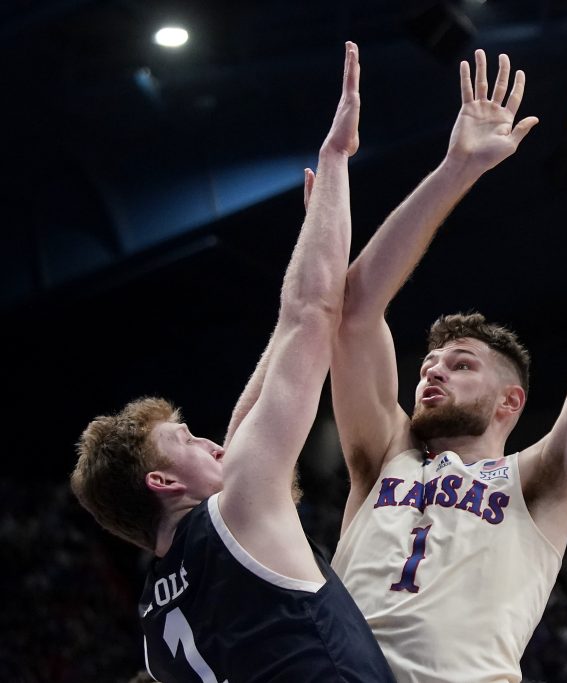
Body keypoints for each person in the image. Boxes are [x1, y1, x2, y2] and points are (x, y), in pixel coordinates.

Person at [321, 49, 567, 683]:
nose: (432, 372)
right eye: (429, 363)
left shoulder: (540, 481)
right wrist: (456, 170)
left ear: (509, 402)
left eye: (460, 365)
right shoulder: (384, 456)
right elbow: (355, 311)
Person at [70, 43, 394, 683]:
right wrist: (336, 162)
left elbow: (282, 340)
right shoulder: (239, 507)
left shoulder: (153, 635)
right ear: (163, 483)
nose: (213, 440)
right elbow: (309, 315)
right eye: (186, 439)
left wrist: (315, 238)